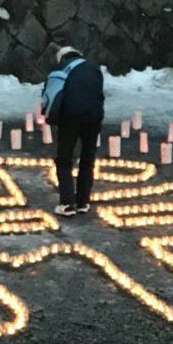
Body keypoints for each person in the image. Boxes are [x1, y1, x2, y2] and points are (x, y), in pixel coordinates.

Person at [41, 44, 106, 218]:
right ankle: (83, 202)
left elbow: (49, 95)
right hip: (93, 117)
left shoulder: (61, 69)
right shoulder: (94, 69)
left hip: (70, 117)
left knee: (64, 159)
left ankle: (67, 203)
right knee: (87, 158)